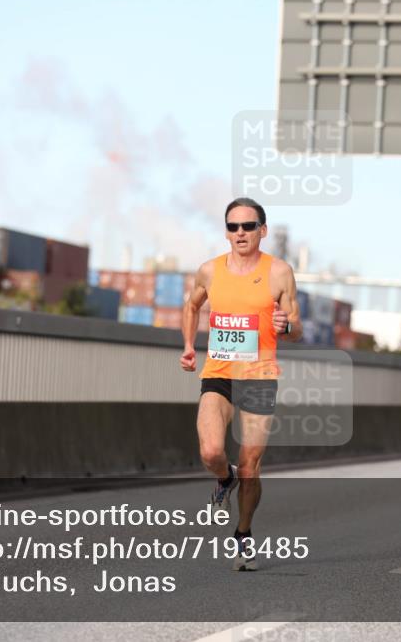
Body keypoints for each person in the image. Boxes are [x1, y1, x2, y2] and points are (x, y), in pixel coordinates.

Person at [180, 197, 302, 571]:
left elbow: (296, 328)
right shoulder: (210, 271)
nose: (240, 233)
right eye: (233, 227)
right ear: (226, 232)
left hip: (260, 378)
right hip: (218, 375)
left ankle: (243, 534)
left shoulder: (279, 272)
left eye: (248, 226)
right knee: (211, 451)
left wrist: (287, 327)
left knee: (251, 465)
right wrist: (188, 346)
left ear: (262, 231)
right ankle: (223, 478)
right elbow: (191, 305)